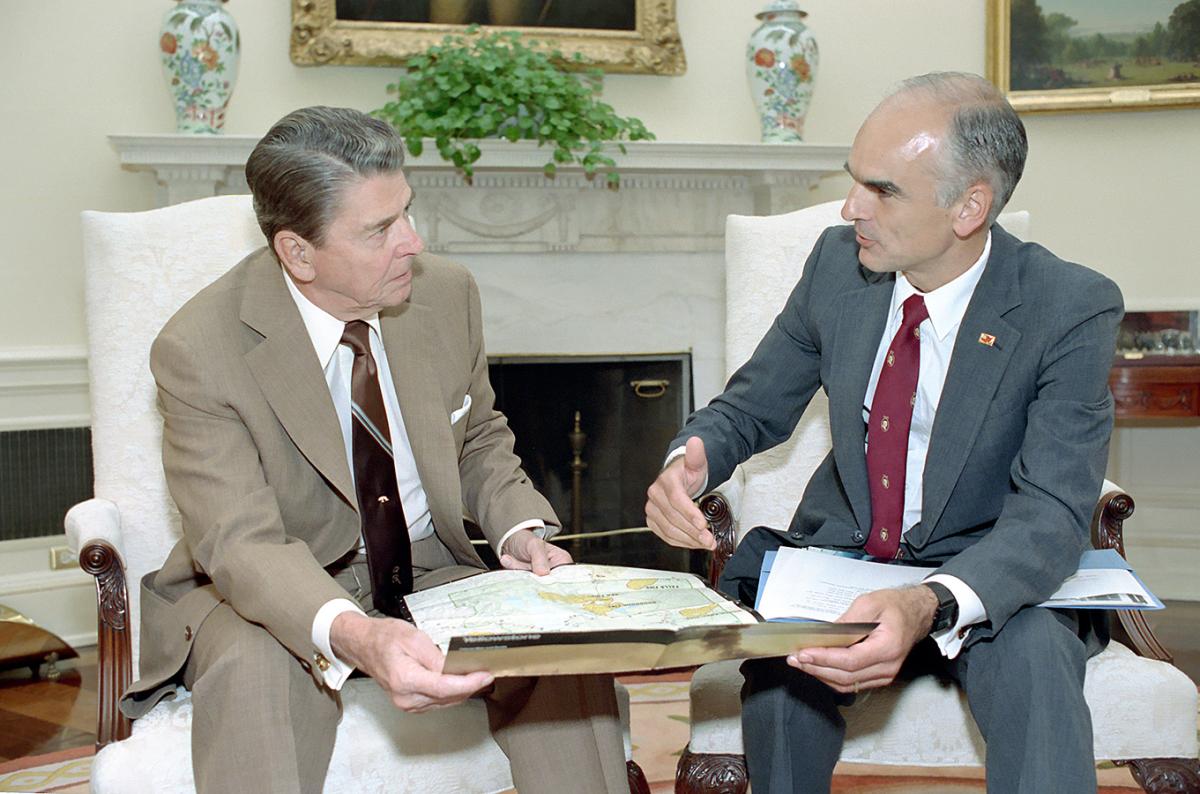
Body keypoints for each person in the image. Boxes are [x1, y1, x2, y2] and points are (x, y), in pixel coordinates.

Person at [119, 106, 629, 794]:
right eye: (380, 230)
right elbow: (240, 543)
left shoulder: (446, 296)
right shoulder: (201, 349)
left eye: (408, 213)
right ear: (297, 252)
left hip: (426, 567)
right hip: (272, 586)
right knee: (254, 669)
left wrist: (518, 529)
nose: (413, 243)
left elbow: (478, 437)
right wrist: (356, 633)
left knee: (552, 636)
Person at [645, 72, 1122, 793]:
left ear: (969, 207)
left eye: (883, 189)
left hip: (986, 574)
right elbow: (750, 407)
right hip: (845, 562)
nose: (849, 207)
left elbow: (1053, 511)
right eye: (854, 180)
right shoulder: (839, 266)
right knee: (781, 678)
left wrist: (928, 601)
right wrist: (690, 460)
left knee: (1034, 664)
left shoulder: (1069, 307)